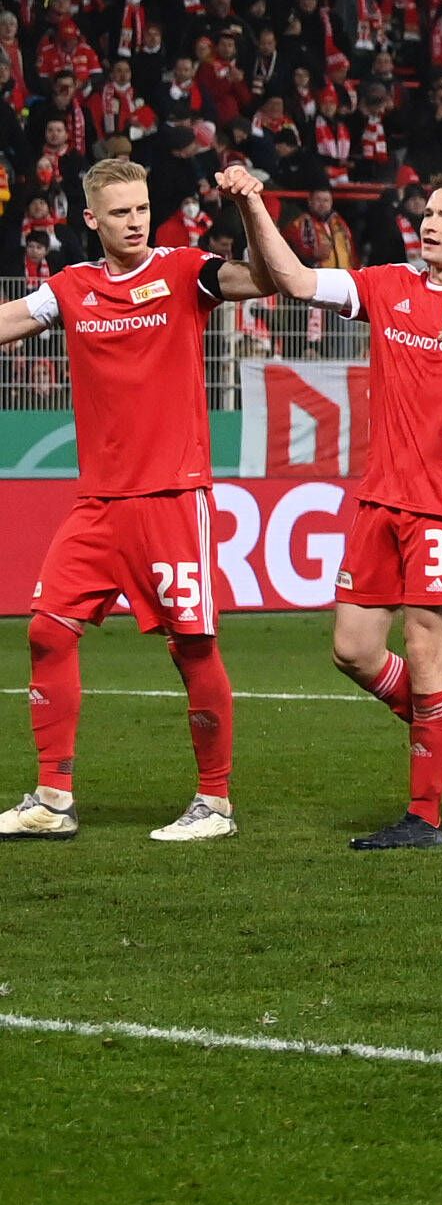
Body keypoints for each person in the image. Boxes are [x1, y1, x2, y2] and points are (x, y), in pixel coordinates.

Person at [235, 167, 442, 850]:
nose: (428, 224)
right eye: (426, 212)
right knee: (352, 650)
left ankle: (422, 818)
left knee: (428, 656)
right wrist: (255, 204)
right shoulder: (388, 284)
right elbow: (298, 282)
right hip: (379, 499)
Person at [0, 157, 274, 844]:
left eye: (142, 207)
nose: (135, 220)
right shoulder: (71, 287)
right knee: (45, 631)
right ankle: (52, 798)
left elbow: (267, 280)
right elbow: (10, 318)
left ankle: (215, 802)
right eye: (120, 211)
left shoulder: (184, 271)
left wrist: (247, 207)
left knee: (192, 647)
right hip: (98, 504)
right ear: (90, 219)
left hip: (172, 497)